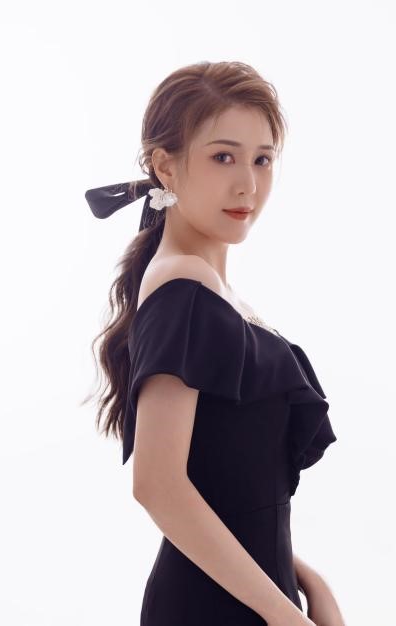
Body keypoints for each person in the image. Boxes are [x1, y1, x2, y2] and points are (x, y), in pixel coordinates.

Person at [83, 61, 345, 626]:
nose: (247, 183)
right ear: (165, 167)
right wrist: (285, 616)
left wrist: (306, 580)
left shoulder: (210, 289)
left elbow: (230, 492)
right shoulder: (182, 288)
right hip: (213, 608)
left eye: (262, 159)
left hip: (253, 598)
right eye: (223, 156)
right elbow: (158, 485)